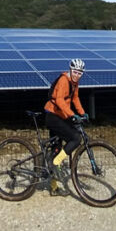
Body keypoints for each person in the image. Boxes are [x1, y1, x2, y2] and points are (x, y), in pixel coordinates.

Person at [43, 58, 89, 193]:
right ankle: (56, 162)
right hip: (53, 116)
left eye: (80, 73)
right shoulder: (64, 80)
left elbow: (75, 98)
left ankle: (54, 188)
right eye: (75, 72)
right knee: (75, 138)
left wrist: (82, 113)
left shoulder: (75, 83)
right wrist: (71, 115)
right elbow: (59, 100)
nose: (77, 75)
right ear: (70, 70)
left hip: (61, 116)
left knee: (56, 150)